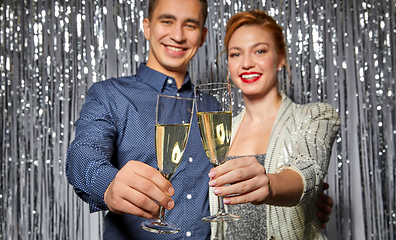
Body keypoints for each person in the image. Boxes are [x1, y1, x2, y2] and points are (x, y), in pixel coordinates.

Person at [66, 1, 334, 239]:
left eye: (190, 25)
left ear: (203, 35)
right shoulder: (110, 94)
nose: (178, 35)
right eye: (167, 21)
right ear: (147, 27)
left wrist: (307, 201)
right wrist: (107, 185)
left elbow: (256, 174)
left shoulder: (213, 108)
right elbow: (82, 155)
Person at [207, 10, 340, 239]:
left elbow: (308, 172)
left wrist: (270, 185)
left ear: (280, 58)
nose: (247, 63)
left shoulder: (315, 116)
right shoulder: (219, 131)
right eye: (236, 54)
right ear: (228, 64)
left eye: (260, 51)